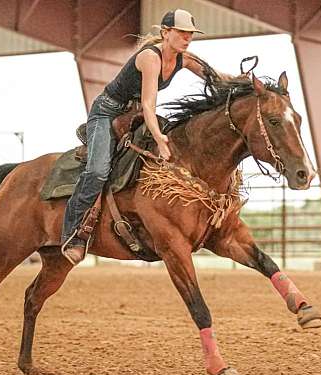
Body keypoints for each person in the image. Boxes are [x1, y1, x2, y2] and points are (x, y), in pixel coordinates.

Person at [61, 9, 230, 265]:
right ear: (165, 33)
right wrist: (160, 140)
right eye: (182, 32)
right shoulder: (150, 58)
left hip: (134, 114)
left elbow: (217, 78)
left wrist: (244, 83)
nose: (187, 38)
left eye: (190, 34)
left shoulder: (185, 59)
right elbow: (150, 105)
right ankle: (72, 232)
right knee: (97, 170)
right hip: (107, 113)